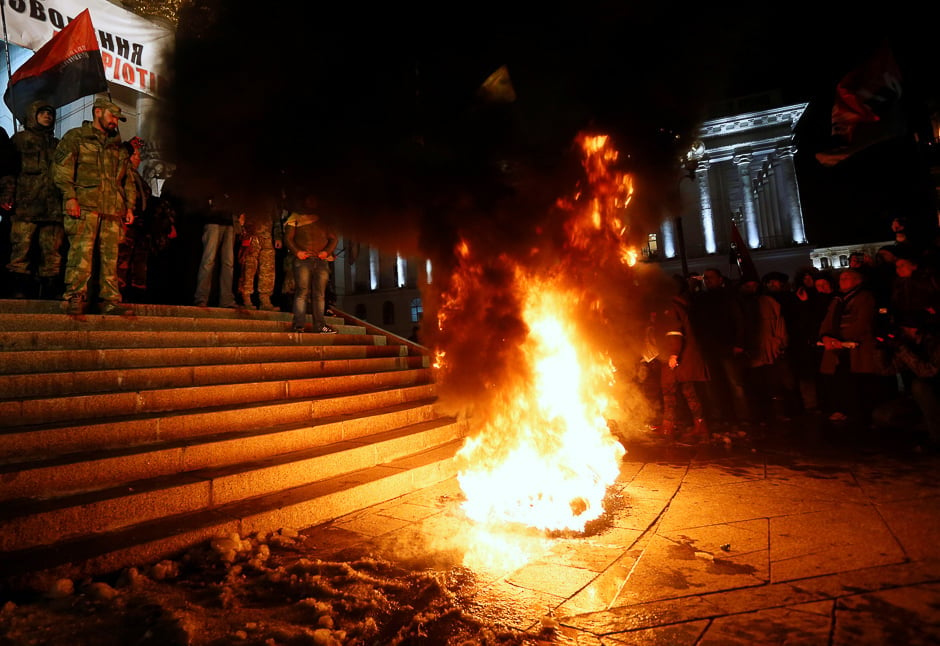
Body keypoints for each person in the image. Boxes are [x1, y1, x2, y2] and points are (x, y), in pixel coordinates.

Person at [52, 97, 136, 315]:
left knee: (110, 258)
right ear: (97, 112)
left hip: (112, 210)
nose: (115, 122)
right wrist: (70, 197)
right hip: (85, 206)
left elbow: (127, 180)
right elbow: (62, 170)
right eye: (112, 116)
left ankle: (110, 301)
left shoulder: (117, 146)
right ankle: (74, 297)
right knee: (81, 254)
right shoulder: (76, 138)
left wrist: (129, 207)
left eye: (117, 118)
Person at [4, 101, 64, 299]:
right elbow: (9, 171)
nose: (47, 116)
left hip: (52, 209)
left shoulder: (57, 145)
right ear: (33, 115)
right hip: (25, 207)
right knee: (21, 249)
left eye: (50, 113)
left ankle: (49, 290)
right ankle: (18, 289)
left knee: (52, 252)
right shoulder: (20, 140)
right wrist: (6, 195)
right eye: (42, 112)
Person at [658, 275, 710, 444]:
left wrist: (673, 354)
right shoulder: (682, 303)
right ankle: (700, 426)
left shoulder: (670, 306)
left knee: (669, 392)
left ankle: (669, 427)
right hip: (686, 358)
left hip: (677, 359)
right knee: (689, 392)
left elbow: (674, 331)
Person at [283, 193, 337, 333]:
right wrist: (297, 252)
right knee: (302, 293)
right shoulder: (295, 217)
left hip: (321, 261)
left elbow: (333, 238)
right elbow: (288, 238)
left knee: (319, 295)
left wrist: (326, 252)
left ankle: (320, 326)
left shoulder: (324, 219)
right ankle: (298, 325)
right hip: (303, 261)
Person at [192, 185, 240, 308]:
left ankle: (226, 300)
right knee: (208, 260)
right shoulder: (213, 176)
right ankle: (201, 298)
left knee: (228, 263)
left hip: (230, 222)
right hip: (213, 221)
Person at [116, 138, 151, 302]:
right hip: (127, 225)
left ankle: (136, 293)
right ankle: (119, 292)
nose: (139, 158)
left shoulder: (139, 178)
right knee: (123, 260)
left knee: (139, 263)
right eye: (136, 155)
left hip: (140, 228)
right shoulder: (123, 174)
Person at [237, 195, 283, 310]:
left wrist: (278, 237)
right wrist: (243, 233)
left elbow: (276, 220)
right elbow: (241, 218)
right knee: (249, 267)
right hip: (251, 236)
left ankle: (265, 300)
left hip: (267, 238)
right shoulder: (249, 196)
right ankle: (246, 298)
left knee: (267, 270)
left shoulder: (271, 199)